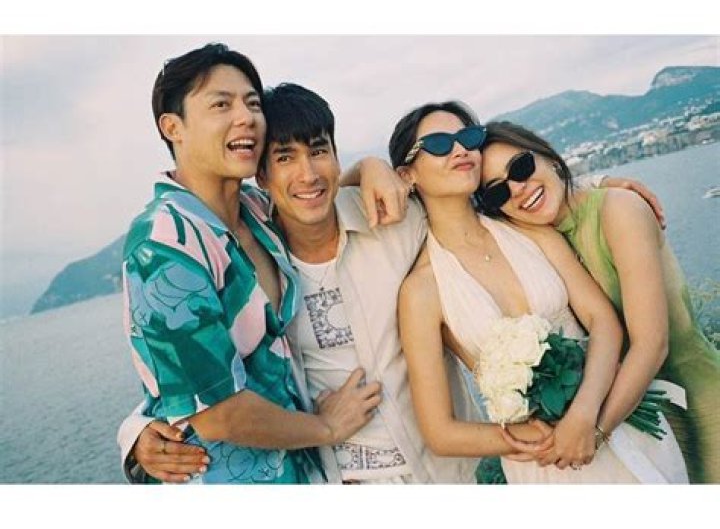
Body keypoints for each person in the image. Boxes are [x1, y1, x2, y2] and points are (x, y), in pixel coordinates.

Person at [120, 82, 483, 484]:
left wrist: (371, 165)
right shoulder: (255, 258)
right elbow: (206, 367)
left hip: (439, 471)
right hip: (333, 478)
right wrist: (137, 429)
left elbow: (473, 255)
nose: (307, 174)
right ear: (261, 174)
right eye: (285, 157)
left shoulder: (394, 221)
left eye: (319, 151)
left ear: (336, 156)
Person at [120, 44, 382, 484]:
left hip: (304, 470)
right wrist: (327, 428)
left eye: (253, 103)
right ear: (173, 127)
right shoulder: (162, 244)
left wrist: (373, 168)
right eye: (221, 104)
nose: (246, 117)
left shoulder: (255, 210)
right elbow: (218, 413)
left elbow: (311, 186)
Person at [391, 101, 688, 483]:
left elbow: (603, 321)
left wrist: (586, 416)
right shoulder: (420, 292)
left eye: (467, 137)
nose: (460, 149)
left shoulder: (528, 229)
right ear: (407, 174)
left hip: (619, 418)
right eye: (439, 144)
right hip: (546, 466)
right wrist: (541, 439)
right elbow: (440, 432)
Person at [477, 121, 720, 483]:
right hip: (641, 430)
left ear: (548, 156)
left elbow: (652, 344)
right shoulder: (538, 245)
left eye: (521, 167)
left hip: (700, 406)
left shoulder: (618, 209)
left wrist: (592, 431)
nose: (517, 188)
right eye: (497, 192)